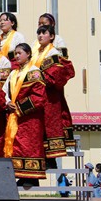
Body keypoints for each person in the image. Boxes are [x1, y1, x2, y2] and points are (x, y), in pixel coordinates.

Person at [3, 43, 47, 186]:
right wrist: (7, 102)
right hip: (14, 117)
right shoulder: (13, 73)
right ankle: (21, 174)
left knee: (29, 145)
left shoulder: (34, 72)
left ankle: (32, 176)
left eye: (19, 53)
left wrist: (18, 107)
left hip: (30, 117)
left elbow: (39, 97)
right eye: (15, 53)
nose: (16, 56)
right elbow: (4, 92)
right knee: (16, 145)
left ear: (28, 54)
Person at [33, 25, 74, 163]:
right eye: (38, 33)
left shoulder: (53, 53)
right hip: (38, 94)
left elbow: (55, 76)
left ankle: (51, 159)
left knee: (50, 124)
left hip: (49, 96)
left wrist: (37, 78)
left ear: (51, 36)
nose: (40, 35)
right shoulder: (36, 52)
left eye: (43, 33)